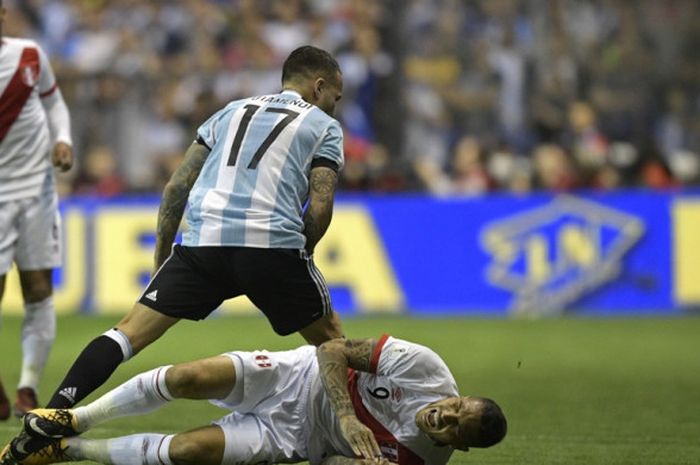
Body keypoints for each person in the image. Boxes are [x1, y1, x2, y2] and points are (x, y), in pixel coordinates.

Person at [3, 43, 347, 459]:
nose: (336, 105)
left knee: (126, 333)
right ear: (319, 85)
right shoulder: (323, 125)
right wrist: (300, 254)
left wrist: (163, 257)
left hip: (203, 244)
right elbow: (321, 204)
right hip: (270, 244)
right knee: (333, 343)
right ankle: (358, 432)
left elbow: (177, 186)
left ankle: (48, 415)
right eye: (336, 96)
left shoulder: (230, 111)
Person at [1, 335, 507, 465]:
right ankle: (75, 417)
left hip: (294, 436)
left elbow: (329, 461)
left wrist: (344, 459)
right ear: (458, 396)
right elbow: (331, 349)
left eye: (453, 427)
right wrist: (349, 417)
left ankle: (65, 451)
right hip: (295, 376)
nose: (445, 415)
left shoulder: (420, 458)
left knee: (188, 453)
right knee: (188, 375)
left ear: (456, 447)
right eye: (457, 406)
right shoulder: (426, 368)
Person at [0, 0, 74, 419]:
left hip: (37, 190)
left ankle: (28, 386)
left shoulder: (29, 55)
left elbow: (54, 103)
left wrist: (63, 138)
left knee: (40, 289)